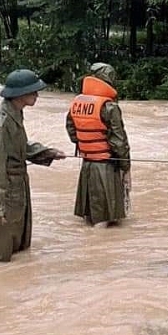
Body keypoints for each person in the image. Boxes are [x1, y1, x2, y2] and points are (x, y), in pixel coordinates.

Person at [0, 69, 66, 262]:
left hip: (16, 187)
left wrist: (47, 153)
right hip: (4, 191)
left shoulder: (14, 113)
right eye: (33, 91)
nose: (37, 95)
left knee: (17, 250)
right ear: (20, 94)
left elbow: (20, 147)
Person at [66, 63, 131, 226]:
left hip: (87, 164)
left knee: (90, 219)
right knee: (104, 222)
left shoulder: (76, 103)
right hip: (106, 167)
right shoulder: (109, 107)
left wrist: (85, 145)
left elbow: (71, 129)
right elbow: (119, 142)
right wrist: (125, 167)